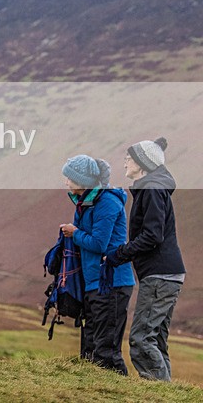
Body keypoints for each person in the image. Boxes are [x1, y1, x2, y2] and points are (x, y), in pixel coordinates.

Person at [104, 137, 185, 381]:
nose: (126, 161)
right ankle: (167, 393)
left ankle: (158, 393)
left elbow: (152, 235)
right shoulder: (152, 188)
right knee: (156, 339)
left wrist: (118, 255)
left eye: (130, 158)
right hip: (166, 273)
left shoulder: (151, 190)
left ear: (143, 164)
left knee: (141, 339)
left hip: (160, 275)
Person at [59, 155, 134, 375]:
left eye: (70, 178)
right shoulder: (84, 204)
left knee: (106, 352)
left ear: (83, 180)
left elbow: (100, 244)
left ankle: (125, 393)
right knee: (90, 351)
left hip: (112, 283)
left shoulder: (107, 202)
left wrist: (75, 233)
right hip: (94, 284)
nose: (66, 182)